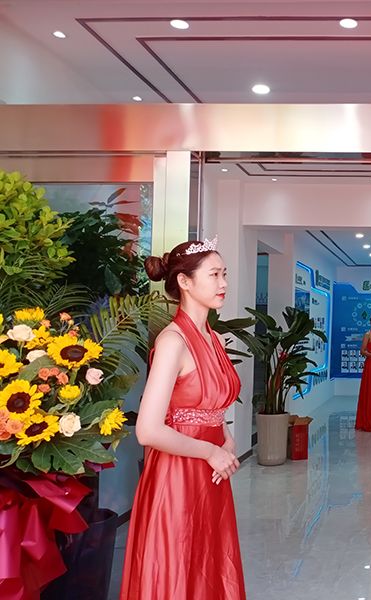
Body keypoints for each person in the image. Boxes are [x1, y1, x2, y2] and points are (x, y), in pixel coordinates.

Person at [120, 237, 245, 599]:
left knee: (207, 563)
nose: (223, 283)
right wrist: (210, 451)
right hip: (177, 475)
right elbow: (147, 430)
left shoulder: (214, 338)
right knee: (176, 563)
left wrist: (225, 437)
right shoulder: (173, 342)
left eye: (224, 274)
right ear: (185, 281)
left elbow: (211, 406)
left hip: (212, 473)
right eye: (214, 275)